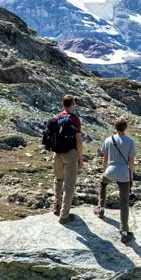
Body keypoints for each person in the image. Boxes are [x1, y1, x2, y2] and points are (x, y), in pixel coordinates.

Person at [95, 117, 136, 244]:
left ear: (115, 127)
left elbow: (105, 158)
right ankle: (124, 231)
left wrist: (105, 170)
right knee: (124, 202)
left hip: (111, 170)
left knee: (102, 184)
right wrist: (131, 176)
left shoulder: (109, 140)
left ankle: (101, 208)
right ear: (126, 128)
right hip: (124, 173)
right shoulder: (130, 142)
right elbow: (131, 162)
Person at [53, 93, 83, 223]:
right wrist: (80, 158)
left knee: (58, 179)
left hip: (56, 154)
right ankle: (64, 215)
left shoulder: (56, 117)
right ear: (73, 105)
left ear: (62, 103)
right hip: (70, 154)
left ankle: (56, 206)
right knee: (69, 185)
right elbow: (78, 141)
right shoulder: (74, 119)